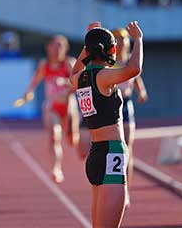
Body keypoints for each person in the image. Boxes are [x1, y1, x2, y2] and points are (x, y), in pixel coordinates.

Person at [70, 21, 143, 228]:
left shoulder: (80, 78)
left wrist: (89, 43)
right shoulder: (103, 76)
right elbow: (134, 68)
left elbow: (71, 74)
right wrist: (138, 39)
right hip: (112, 152)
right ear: (111, 50)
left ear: (88, 51)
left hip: (96, 154)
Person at [15, 35, 79, 182]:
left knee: (71, 140)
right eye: (53, 47)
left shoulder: (69, 64)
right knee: (54, 136)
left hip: (68, 106)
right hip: (52, 106)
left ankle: (72, 134)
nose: (56, 50)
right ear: (48, 48)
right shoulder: (44, 65)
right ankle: (56, 168)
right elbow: (34, 82)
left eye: (59, 47)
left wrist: (63, 82)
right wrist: (28, 93)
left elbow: (78, 83)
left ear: (65, 49)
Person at [112, 28, 148, 184]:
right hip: (111, 104)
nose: (121, 42)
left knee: (127, 146)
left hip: (126, 104)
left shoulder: (129, 62)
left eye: (124, 39)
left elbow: (136, 78)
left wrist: (141, 92)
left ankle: (126, 187)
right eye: (117, 39)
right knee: (114, 145)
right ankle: (114, 180)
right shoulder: (109, 63)